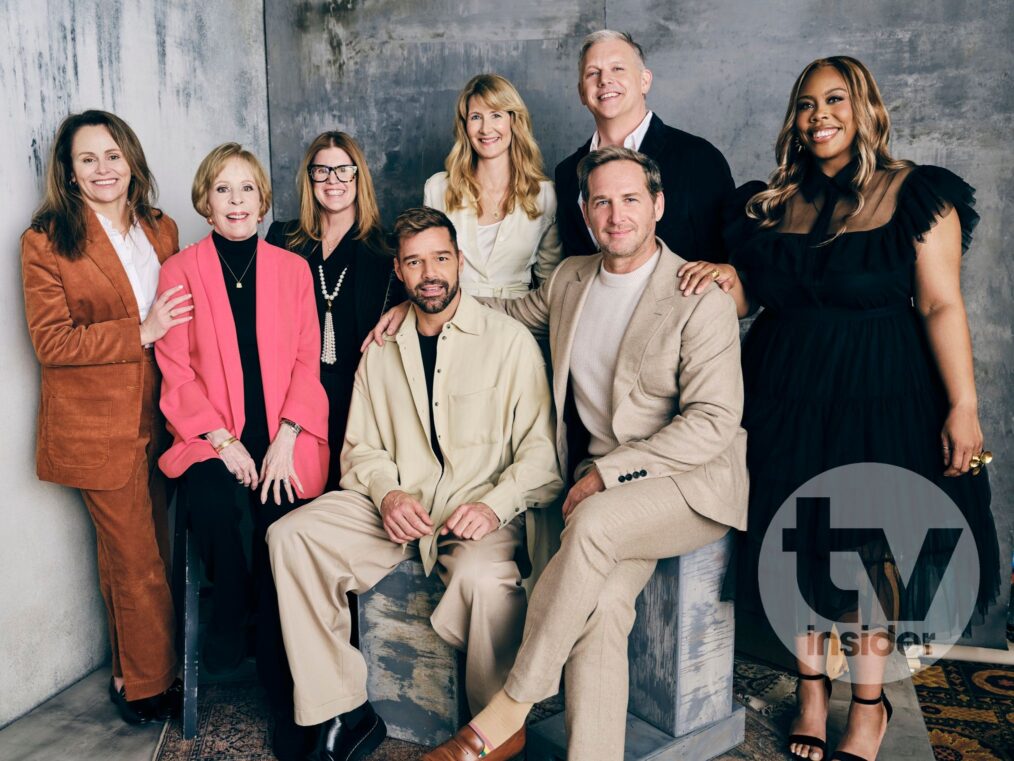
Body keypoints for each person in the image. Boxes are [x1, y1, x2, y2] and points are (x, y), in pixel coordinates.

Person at [370, 148, 747, 761]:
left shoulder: (697, 295)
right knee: (600, 611)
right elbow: (505, 313)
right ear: (584, 210)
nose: (616, 214)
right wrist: (416, 308)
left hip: (687, 486)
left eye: (630, 199)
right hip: (606, 490)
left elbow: (712, 423)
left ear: (658, 205)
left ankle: (506, 711)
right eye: (601, 201)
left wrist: (607, 472)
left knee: (593, 523)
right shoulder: (572, 277)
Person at [677, 56, 1000, 761]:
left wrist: (964, 404)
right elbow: (751, 298)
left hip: (884, 387)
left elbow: (942, 302)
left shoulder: (917, 193)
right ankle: (812, 689)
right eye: (806, 103)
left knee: (868, 553)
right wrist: (725, 277)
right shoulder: (766, 204)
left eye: (835, 99)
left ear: (865, 109)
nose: (819, 114)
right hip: (785, 388)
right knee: (795, 543)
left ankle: (868, 702)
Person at [266, 207, 562, 761]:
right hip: (400, 508)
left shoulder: (509, 342)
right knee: (292, 536)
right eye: (415, 262)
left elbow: (541, 458)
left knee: (482, 578)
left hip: (475, 510)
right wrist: (388, 493)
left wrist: (494, 507)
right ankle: (342, 710)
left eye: (441, 258)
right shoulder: (381, 348)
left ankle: (493, 729)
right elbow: (361, 450)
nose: (430, 272)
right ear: (399, 272)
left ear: (460, 262)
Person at [154, 144, 329, 741]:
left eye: (247, 189)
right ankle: (232, 609)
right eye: (223, 189)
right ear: (205, 201)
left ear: (263, 200)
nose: (235, 201)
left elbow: (311, 360)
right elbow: (175, 369)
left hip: (285, 433)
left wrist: (286, 438)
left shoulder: (293, 269)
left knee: (284, 523)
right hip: (212, 434)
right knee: (212, 503)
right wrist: (223, 440)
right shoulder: (179, 271)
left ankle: (286, 689)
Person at [21, 109, 188, 725]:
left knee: (140, 553)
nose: (103, 169)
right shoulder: (46, 239)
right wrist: (139, 330)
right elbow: (53, 343)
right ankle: (149, 685)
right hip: (96, 429)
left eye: (112, 155)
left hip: (162, 417)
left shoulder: (161, 227)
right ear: (68, 172)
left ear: (131, 159)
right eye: (87, 158)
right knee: (136, 557)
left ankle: (129, 666)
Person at [266, 131, 393, 491]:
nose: (332, 181)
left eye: (343, 171)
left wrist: (402, 309)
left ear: (358, 177)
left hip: (356, 400)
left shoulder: (385, 251)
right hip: (291, 396)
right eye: (321, 171)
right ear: (310, 179)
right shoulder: (283, 240)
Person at [555, 30, 734, 260]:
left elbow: (724, 259)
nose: (604, 80)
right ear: (582, 92)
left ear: (644, 81)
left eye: (617, 68)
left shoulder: (699, 158)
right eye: (593, 73)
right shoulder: (567, 173)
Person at [424, 73, 561, 297]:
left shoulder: (544, 194)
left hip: (519, 317)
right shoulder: (438, 189)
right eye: (476, 117)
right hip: (455, 315)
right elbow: (428, 269)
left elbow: (549, 281)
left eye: (496, 115)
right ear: (465, 126)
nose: (486, 129)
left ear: (513, 121)